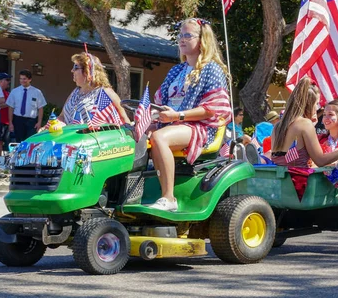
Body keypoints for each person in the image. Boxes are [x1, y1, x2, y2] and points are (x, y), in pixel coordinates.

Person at [149, 18, 232, 211]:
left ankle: (169, 198)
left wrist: (177, 116)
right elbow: (160, 102)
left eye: (188, 35)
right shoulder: (176, 70)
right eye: (180, 35)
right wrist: (151, 118)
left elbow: (213, 108)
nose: (182, 40)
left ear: (203, 40)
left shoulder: (211, 69)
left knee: (159, 137)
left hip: (199, 127)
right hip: (171, 123)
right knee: (132, 135)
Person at [270, 77, 338, 167]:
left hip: (280, 179)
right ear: (309, 104)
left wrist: (311, 127)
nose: (317, 108)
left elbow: (285, 158)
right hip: (299, 179)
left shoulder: (278, 126)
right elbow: (320, 161)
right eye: (316, 103)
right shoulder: (305, 124)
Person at [58, 52, 130, 125]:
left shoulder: (106, 93)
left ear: (87, 71)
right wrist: (53, 125)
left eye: (76, 67)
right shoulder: (75, 92)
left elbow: (125, 120)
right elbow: (62, 116)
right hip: (68, 135)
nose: (72, 70)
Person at [7, 70, 47, 142]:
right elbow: (11, 108)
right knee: (19, 141)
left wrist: (39, 122)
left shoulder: (37, 92)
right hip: (18, 120)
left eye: (24, 79)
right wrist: (10, 123)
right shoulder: (14, 91)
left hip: (31, 121)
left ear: (30, 79)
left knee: (30, 141)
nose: (22, 81)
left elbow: (40, 108)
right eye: (21, 79)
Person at [0, 72, 12, 156]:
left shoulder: (7, 93)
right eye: (7, 80)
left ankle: (1, 159)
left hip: (7, 122)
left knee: (4, 143)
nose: (9, 82)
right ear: (1, 81)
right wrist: (8, 104)